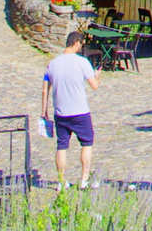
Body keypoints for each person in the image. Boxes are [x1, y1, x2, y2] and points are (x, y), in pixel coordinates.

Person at [42, 30, 100, 189]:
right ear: (76, 43)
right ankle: (84, 179)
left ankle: (61, 181)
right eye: (81, 44)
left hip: (61, 112)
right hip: (80, 111)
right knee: (87, 143)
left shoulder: (52, 64)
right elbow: (94, 85)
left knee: (62, 146)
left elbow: (45, 90)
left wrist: (44, 111)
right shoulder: (82, 62)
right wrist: (97, 75)